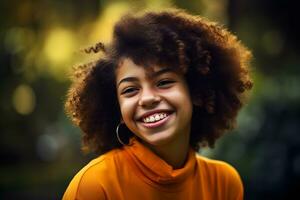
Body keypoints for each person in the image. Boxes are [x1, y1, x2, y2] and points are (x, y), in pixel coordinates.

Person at [62, 8, 252, 200]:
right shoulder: (93, 186)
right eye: (130, 90)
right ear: (118, 108)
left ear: (195, 91)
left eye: (163, 82)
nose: (147, 98)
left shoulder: (224, 183)